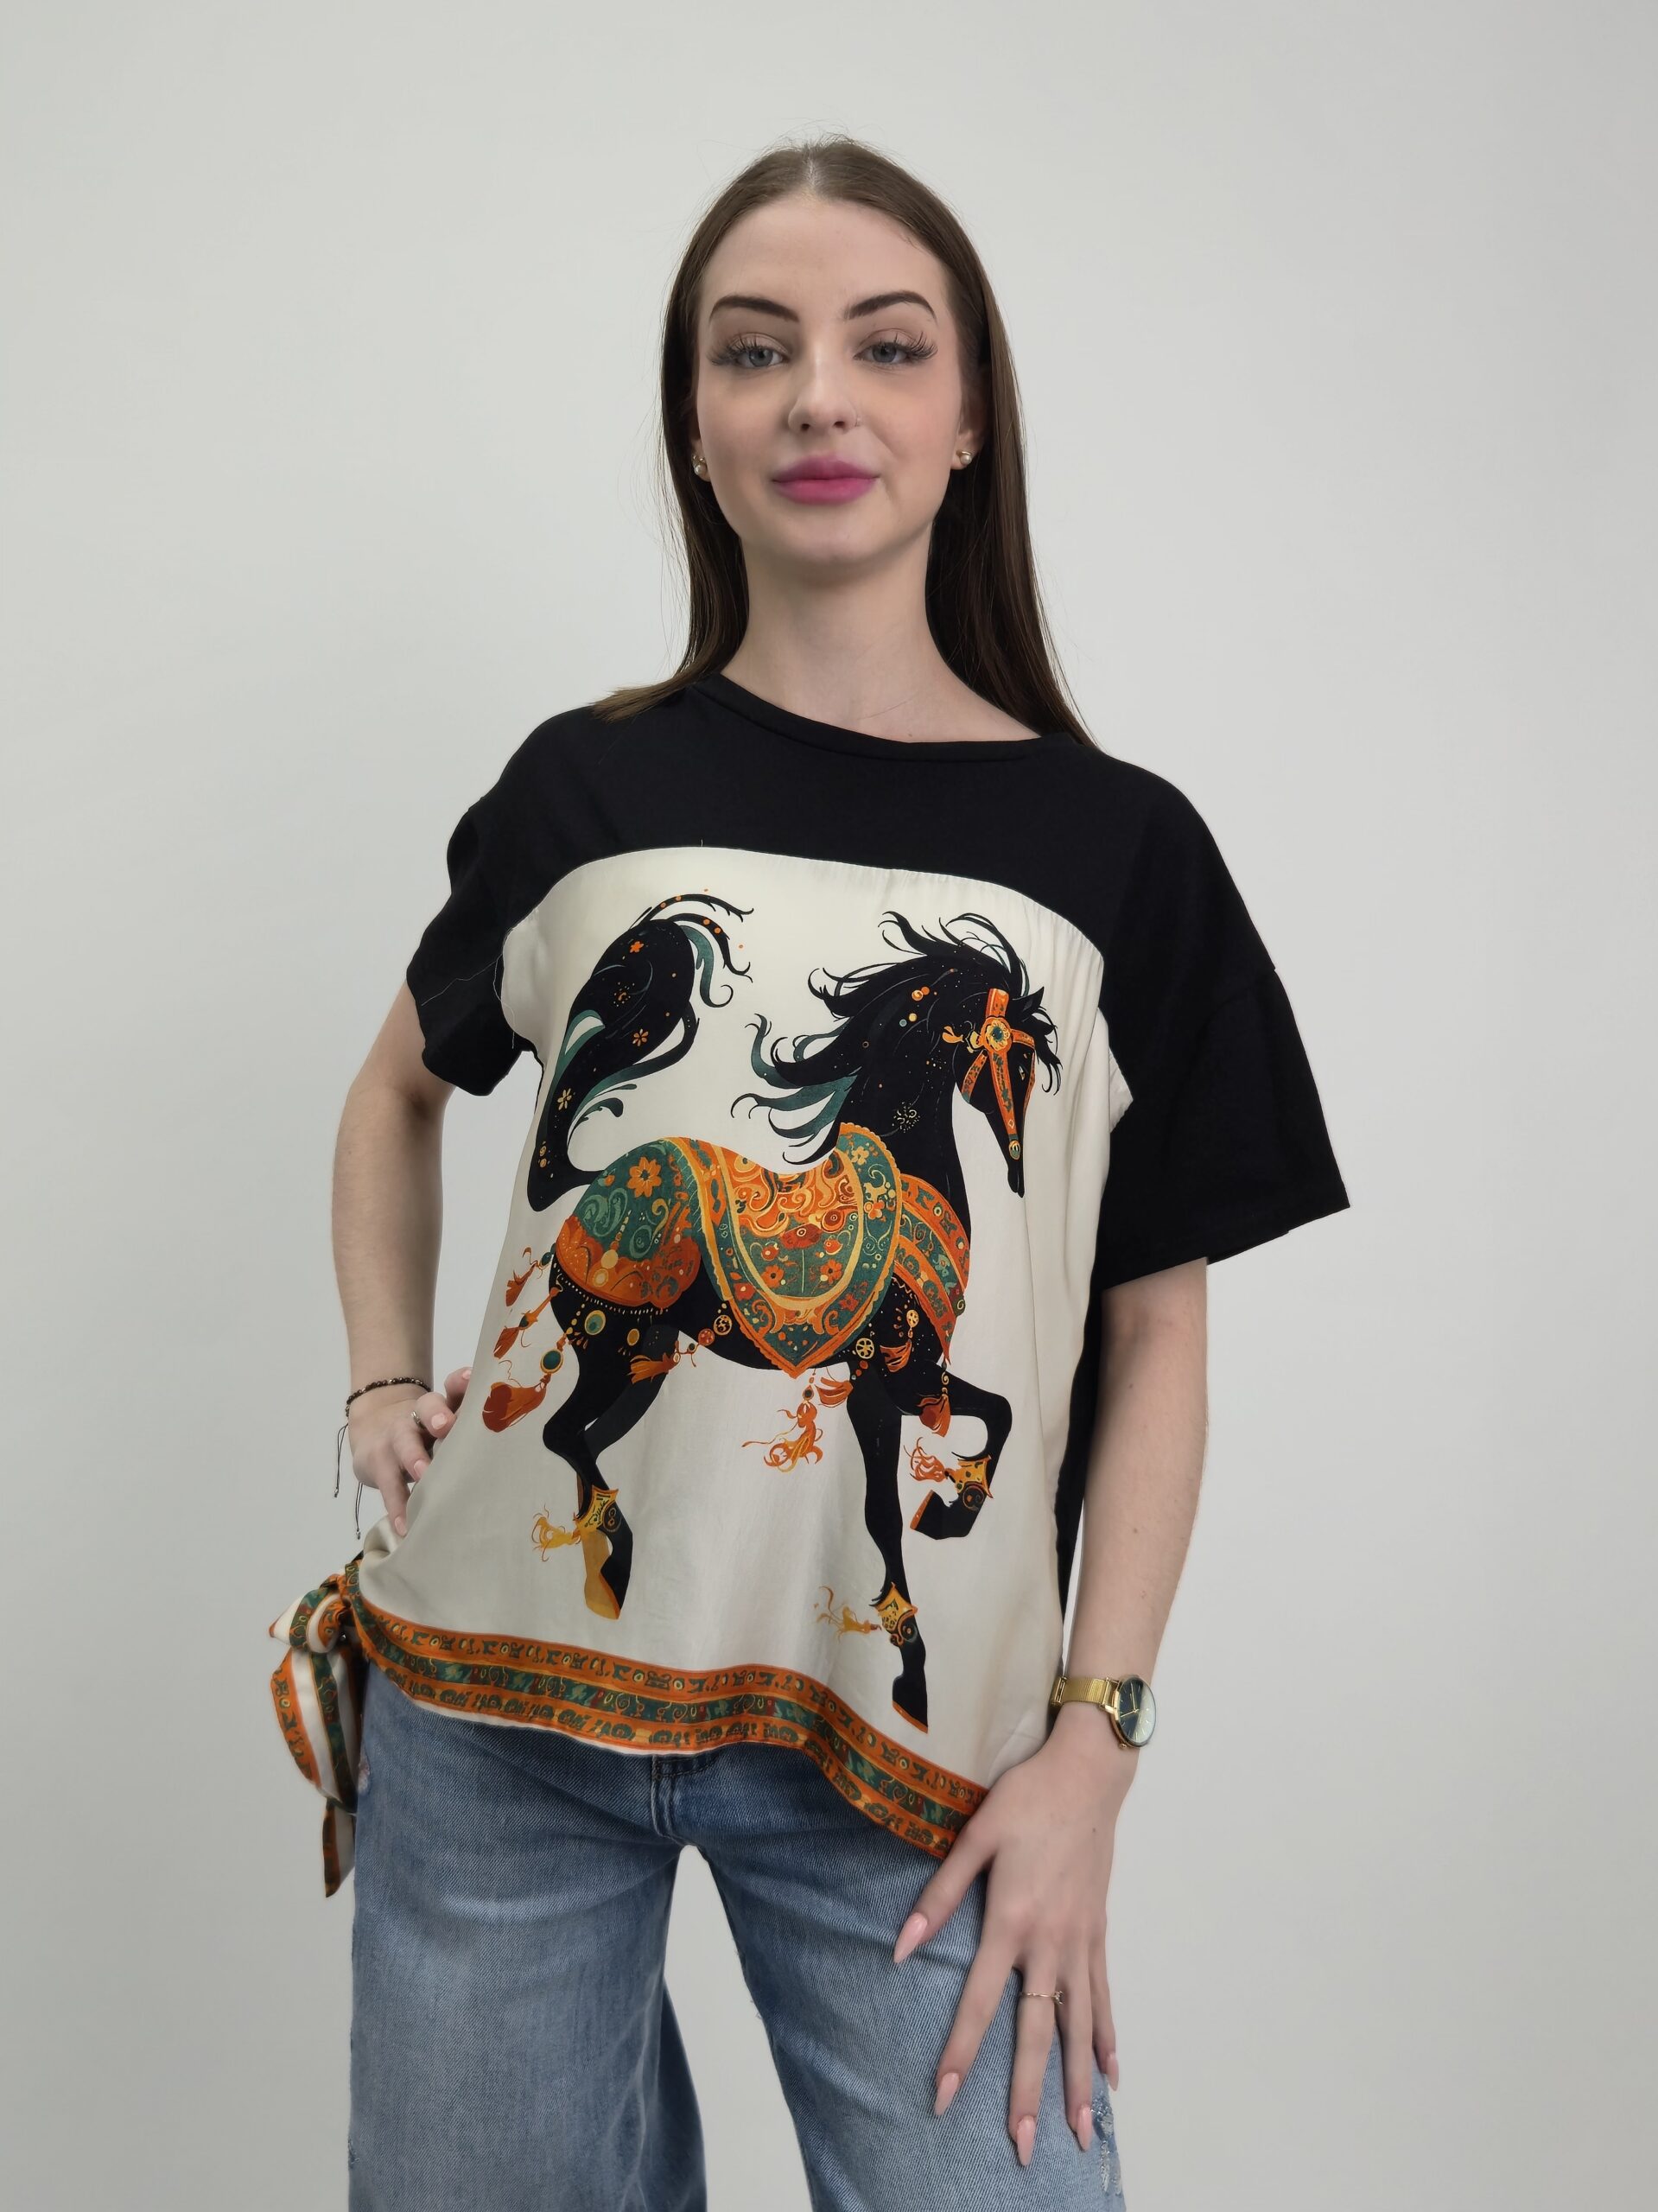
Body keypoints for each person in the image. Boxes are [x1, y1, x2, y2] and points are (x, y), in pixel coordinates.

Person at [268, 131, 1350, 2211]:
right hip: (496, 1710)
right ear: (697, 425)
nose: (818, 395)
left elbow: (1156, 1329)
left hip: (915, 1744)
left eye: (887, 346)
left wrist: (1098, 1742)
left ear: (969, 420)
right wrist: (380, 1379)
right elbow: (394, 1092)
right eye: (754, 350)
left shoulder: (1123, 847)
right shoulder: (585, 785)